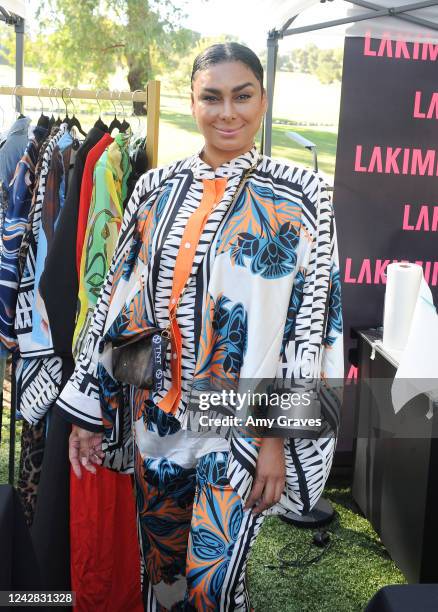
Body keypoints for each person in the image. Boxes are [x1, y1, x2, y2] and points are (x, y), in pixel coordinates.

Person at [57, 42, 343, 610]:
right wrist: (92, 410)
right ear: (193, 102)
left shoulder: (302, 194)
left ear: (263, 100)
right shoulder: (153, 190)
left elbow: (313, 326)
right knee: (163, 575)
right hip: (158, 419)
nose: (227, 112)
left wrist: (276, 441)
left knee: (214, 585)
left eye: (242, 96)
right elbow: (119, 303)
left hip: (240, 427)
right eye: (211, 98)